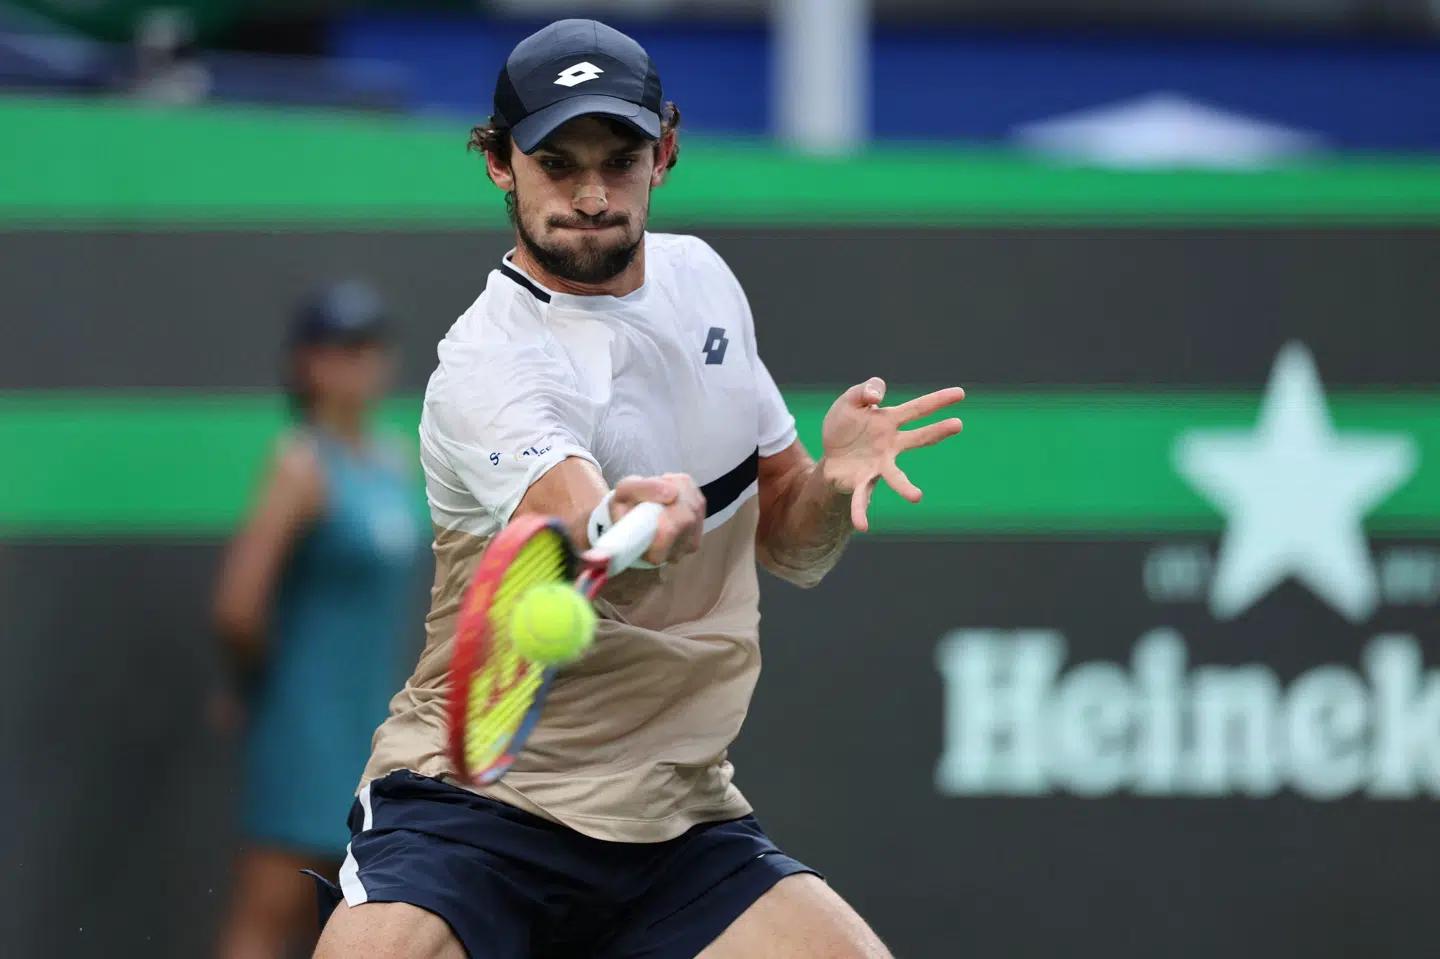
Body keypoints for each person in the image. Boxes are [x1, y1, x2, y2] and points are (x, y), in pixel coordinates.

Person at [313, 19, 964, 959]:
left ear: (665, 150)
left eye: (619, 160)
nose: (590, 193)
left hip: (676, 818)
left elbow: (790, 543)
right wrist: (632, 516)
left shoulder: (704, 283)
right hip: (484, 804)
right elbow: (570, 508)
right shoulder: (487, 362)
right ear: (499, 163)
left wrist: (828, 484)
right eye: (555, 162)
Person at [211, 282, 426, 959]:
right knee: (268, 914)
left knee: (342, 923)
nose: (357, 364)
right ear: (307, 364)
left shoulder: (394, 461)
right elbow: (238, 606)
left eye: (368, 348)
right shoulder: (299, 465)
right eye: (340, 349)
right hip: (303, 728)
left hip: (372, 726)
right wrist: (265, 690)